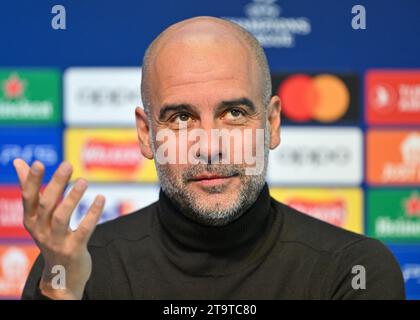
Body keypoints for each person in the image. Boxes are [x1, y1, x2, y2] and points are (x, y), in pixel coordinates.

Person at [16, 16, 405, 300]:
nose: (209, 146)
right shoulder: (74, 270)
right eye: (182, 118)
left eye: (234, 114)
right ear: (145, 133)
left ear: (272, 123)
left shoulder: (353, 269)